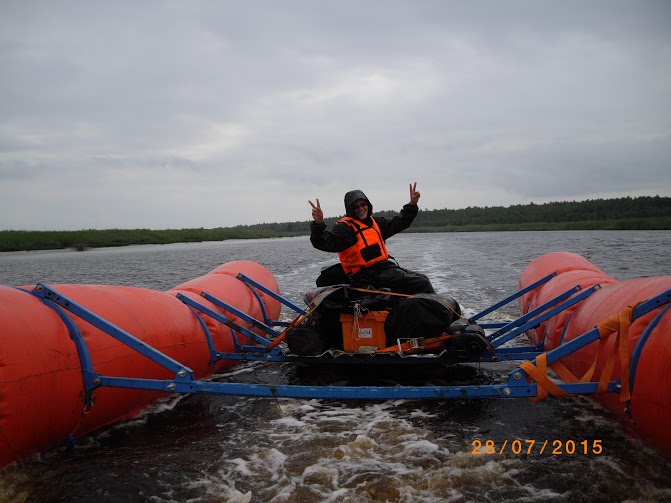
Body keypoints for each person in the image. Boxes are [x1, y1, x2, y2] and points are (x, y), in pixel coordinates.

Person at [308, 183, 435, 295]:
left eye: (363, 204)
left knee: (423, 278)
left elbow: (400, 222)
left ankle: (426, 311)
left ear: (368, 205)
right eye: (356, 207)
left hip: (383, 269)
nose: (361, 209)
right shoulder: (345, 228)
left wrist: (412, 205)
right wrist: (318, 224)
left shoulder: (375, 223)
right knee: (421, 283)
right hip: (364, 276)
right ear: (350, 209)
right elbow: (324, 241)